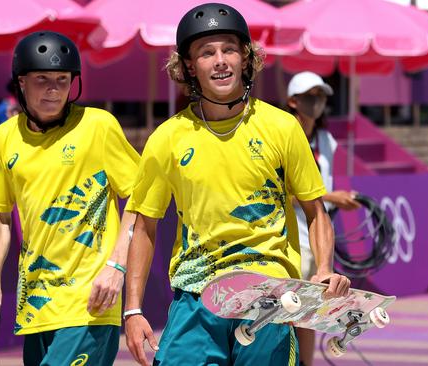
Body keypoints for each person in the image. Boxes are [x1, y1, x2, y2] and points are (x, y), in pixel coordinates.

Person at [123, 4, 351, 366]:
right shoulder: (166, 138)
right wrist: (132, 310)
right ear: (188, 68)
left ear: (246, 59)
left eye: (229, 49)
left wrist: (323, 268)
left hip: (270, 295)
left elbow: (315, 209)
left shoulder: (282, 127)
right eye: (206, 53)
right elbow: (144, 225)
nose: (220, 61)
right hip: (196, 297)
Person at [0, 31, 140, 366]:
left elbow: (141, 198)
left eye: (62, 79)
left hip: (90, 300)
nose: (53, 89)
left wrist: (116, 265)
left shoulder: (98, 126)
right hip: (36, 303)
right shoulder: (3, 139)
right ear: (21, 82)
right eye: (42, 79)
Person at [287, 71, 361, 366]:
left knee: (309, 310)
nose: (316, 102)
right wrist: (332, 197)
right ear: (293, 101)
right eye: (309, 96)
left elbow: (321, 188)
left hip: (317, 235)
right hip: (289, 237)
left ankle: (306, 363)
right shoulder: (284, 134)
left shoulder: (326, 139)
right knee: (290, 310)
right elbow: (283, 193)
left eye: (320, 96)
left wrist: (338, 199)